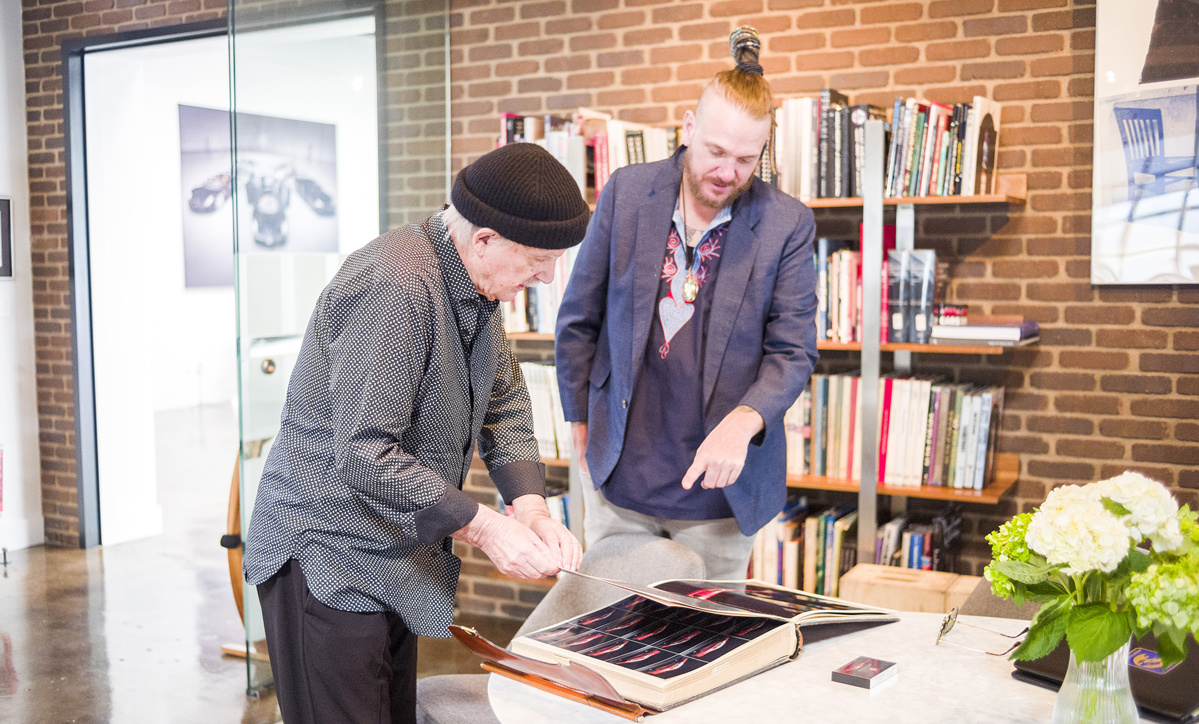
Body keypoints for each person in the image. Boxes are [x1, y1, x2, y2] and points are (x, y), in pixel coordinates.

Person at [243, 142, 588, 724]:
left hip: (394, 554)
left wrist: (530, 508)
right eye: (539, 259)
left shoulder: (475, 284)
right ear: (484, 239)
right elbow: (363, 452)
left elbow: (503, 404)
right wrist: (488, 529)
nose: (547, 276)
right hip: (327, 556)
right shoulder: (396, 285)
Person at [554, 35, 818, 581]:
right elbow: (580, 316)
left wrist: (743, 423)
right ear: (688, 127)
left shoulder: (786, 224)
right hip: (620, 479)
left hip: (720, 495)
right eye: (717, 152)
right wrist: (578, 416)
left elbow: (792, 352)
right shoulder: (627, 193)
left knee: (705, 649)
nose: (728, 172)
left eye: (747, 159)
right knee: (613, 635)